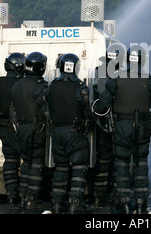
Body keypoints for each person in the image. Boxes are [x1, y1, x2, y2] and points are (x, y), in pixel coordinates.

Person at [93, 45, 151, 214]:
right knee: (141, 165)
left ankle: (124, 203)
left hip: (121, 128)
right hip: (142, 128)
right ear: (143, 60)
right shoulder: (149, 80)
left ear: (126, 60)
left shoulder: (116, 79)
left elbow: (103, 105)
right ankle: (141, 205)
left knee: (122, 165)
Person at [47, 53, 93, 214]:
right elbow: (89, 112)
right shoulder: (81, 87)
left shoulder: (51, 86)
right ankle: (75, 203)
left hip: (57, 131)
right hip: (75, 132)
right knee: (79, 167)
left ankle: (58, 203)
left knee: (60, 167)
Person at [11, 51, 50, 209]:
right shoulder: (38, 86)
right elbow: (46, 111)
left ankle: (23, 196)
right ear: (40, 67)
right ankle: (32, 199)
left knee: (26, 163)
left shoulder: (17, 84)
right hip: (37, 129)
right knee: (36, 164)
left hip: (21, 128)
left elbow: (12, 110)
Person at [89, 42, 125, 207]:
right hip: (117, 123)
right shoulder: (122, 74)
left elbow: (92, 98)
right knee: (119, 160)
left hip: (100, 123)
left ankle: (98, 194)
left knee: (103, 161)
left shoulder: (98, 72)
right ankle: (115, 194)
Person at [0, 52, 25, 205]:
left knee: (10, 160)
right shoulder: (20, 84)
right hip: (19, 128)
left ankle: (11, 194)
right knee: (28, 161)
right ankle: (25, 195)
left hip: (3, 128)